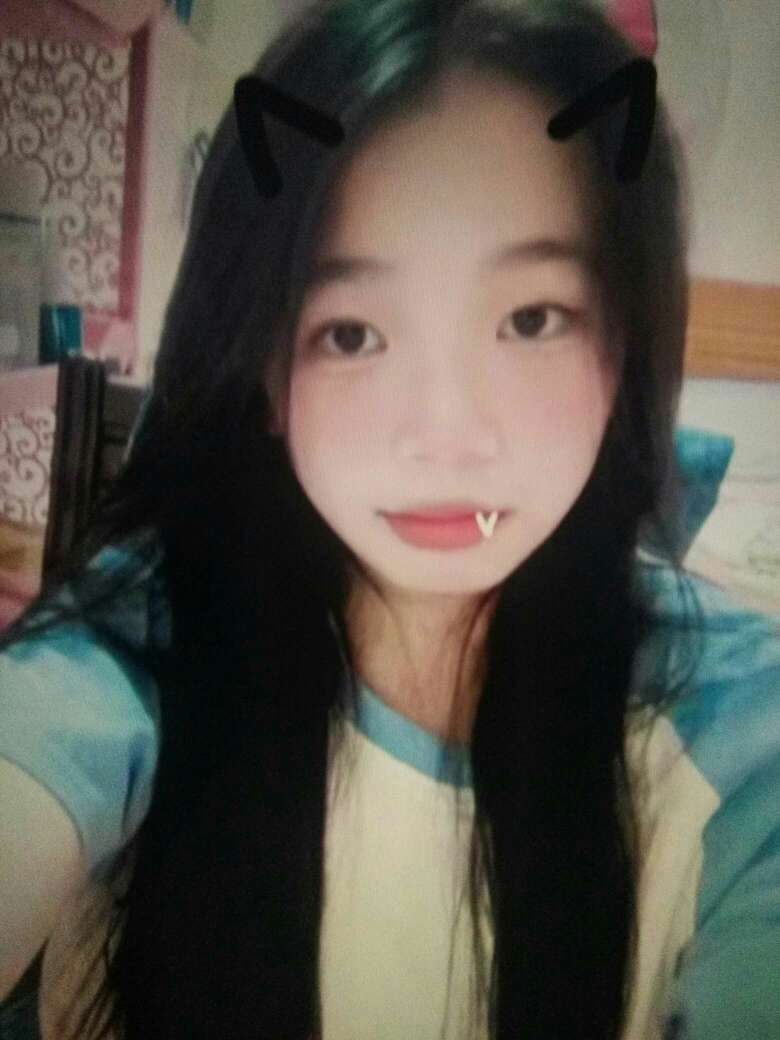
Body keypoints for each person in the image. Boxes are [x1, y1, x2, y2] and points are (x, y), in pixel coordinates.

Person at [0, 0, 778, 1037]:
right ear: (266, 371)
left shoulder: (735, 718)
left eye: (532, 319)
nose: (445, 437)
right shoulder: (148, 635)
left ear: (622, 341)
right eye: (353, 333)